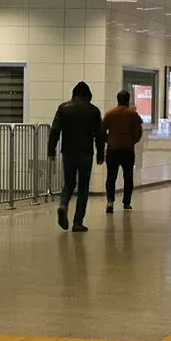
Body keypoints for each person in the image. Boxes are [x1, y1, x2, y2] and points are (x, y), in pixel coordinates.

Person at [48, 81, 105, 232]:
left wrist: (51, 151)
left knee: (68, 183)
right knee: (83, 187)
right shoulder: (93, 110)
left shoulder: (63, 108)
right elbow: (100, 135)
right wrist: (100, 154)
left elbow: (54, 130)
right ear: (88, 95)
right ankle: (78, 222)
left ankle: (63, 205)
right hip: (86, 153)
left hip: (68, 152)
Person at [102, 90, 144, 213]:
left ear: (117, 99)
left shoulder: (110, 114)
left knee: (111, 177)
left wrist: (108, 141)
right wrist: (132, 141)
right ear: (128, 100)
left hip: (112, 149)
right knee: (128, 176)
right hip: (127, 150)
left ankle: (110, 201)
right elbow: (138, 132)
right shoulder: (133, 114)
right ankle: (126, 203)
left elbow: (102, 130)